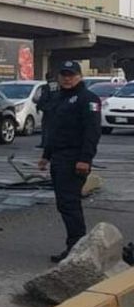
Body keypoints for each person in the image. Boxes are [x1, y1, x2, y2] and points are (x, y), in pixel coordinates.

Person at [39, 60, 102, 263]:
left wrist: (85, 159)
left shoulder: (87, 99)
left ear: (79, 76)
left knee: (70, 203)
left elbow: (92, 132)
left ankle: (77, 249)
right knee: (64, 204)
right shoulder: (59, 98)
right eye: (64, 74)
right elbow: (54, 131)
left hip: (75, 158)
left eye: (71, 75)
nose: (67, 78)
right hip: (59, 157)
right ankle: (75, 245)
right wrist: (46, 156)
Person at [34, 72, 59, 149]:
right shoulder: (59, 86)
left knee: (46, 128)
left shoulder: (46, 87)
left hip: (48, 110)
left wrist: (39, 107)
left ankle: (45, 143)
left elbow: (43, 98)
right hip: (58, 109)